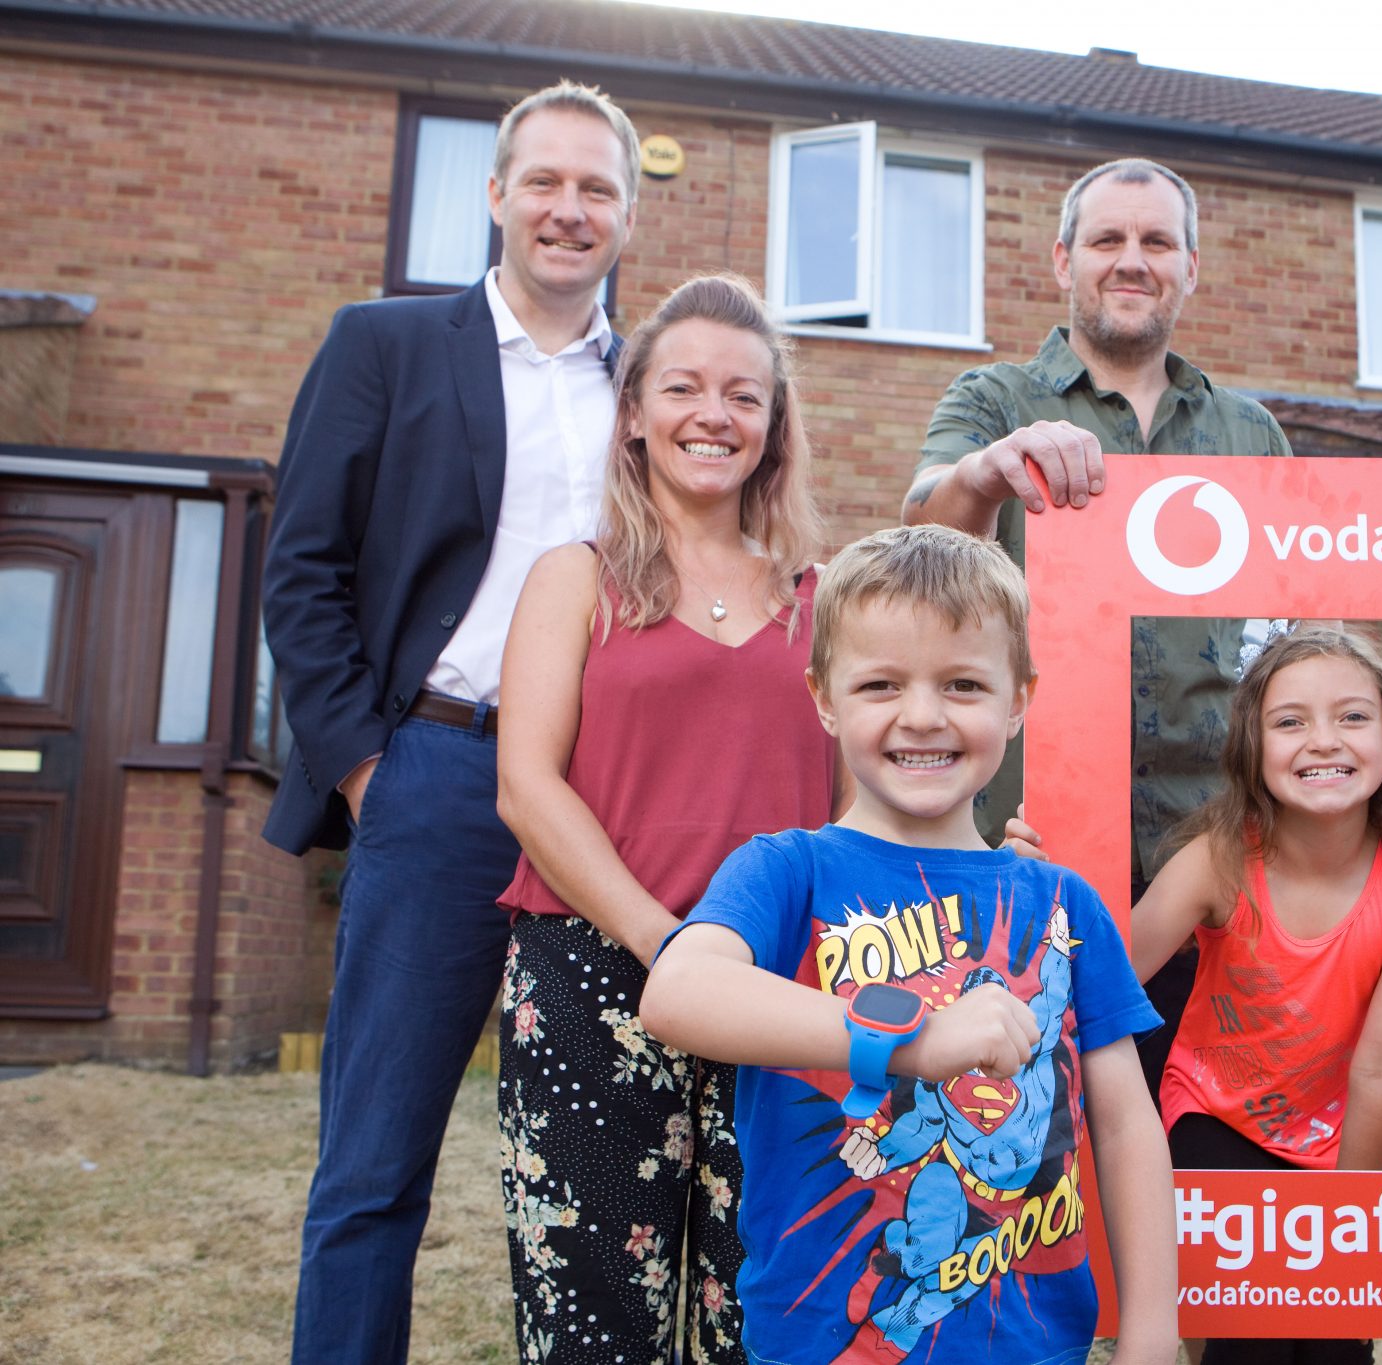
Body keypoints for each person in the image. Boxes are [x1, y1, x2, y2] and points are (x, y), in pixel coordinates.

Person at [260, 80, 638, 1364]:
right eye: (544, 181)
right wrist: (367, 769)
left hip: (602, 806)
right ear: (494, 195)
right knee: (372, 1168)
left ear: (626, 217)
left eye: (596, 190)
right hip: (430, 775)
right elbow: (300, 568)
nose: (567, 210)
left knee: (612, 1162)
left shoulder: (651, 391)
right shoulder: (384, 346)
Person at [641, 524, 1178, 1365]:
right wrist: (914, 1041)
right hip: (822, 1342)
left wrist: (1152, 1330)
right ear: (824, 697)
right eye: (881, 683)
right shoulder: (787, 872)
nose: (921, 715)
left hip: (1035, 1345)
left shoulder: (1065, 904)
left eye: (963, 683)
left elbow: (1125, 1125)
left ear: (1019, 699)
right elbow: (678, 992)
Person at [493, 274, 830, 1362]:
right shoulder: (572, 578)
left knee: (767, 1309)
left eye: (743, 396)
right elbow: (526, 785)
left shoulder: (824, 600)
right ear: (633, 411)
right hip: (592, 971)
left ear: (773, 426)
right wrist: (665, 942)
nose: (712, 416)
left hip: (786, 989)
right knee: (594, 1321)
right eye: (682, 387)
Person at [905, 156, 1292, 1091]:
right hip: (1024, 854)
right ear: (1062, 260)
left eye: (1157, 241)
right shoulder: (993, 401)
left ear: (1190, 267)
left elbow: (1290, 645)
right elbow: (920, 531)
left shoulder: (1251, 433)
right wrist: (992, 469)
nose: (1132, 260)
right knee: (1016, 1148)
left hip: (1218, 871)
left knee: (1198, 1158)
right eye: (1108, 240)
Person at [1133, 628, 1382, 1365]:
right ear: (1251, 746)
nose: (1323, 740)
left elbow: (1381, 1067)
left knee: (1334, 1348)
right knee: (1254, 1340)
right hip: (1215, 1116)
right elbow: (1110, 971)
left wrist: (1346, 1215)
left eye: (1351, 716)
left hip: (1340, 1142)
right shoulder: (1218, 859)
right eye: (1290, 721)